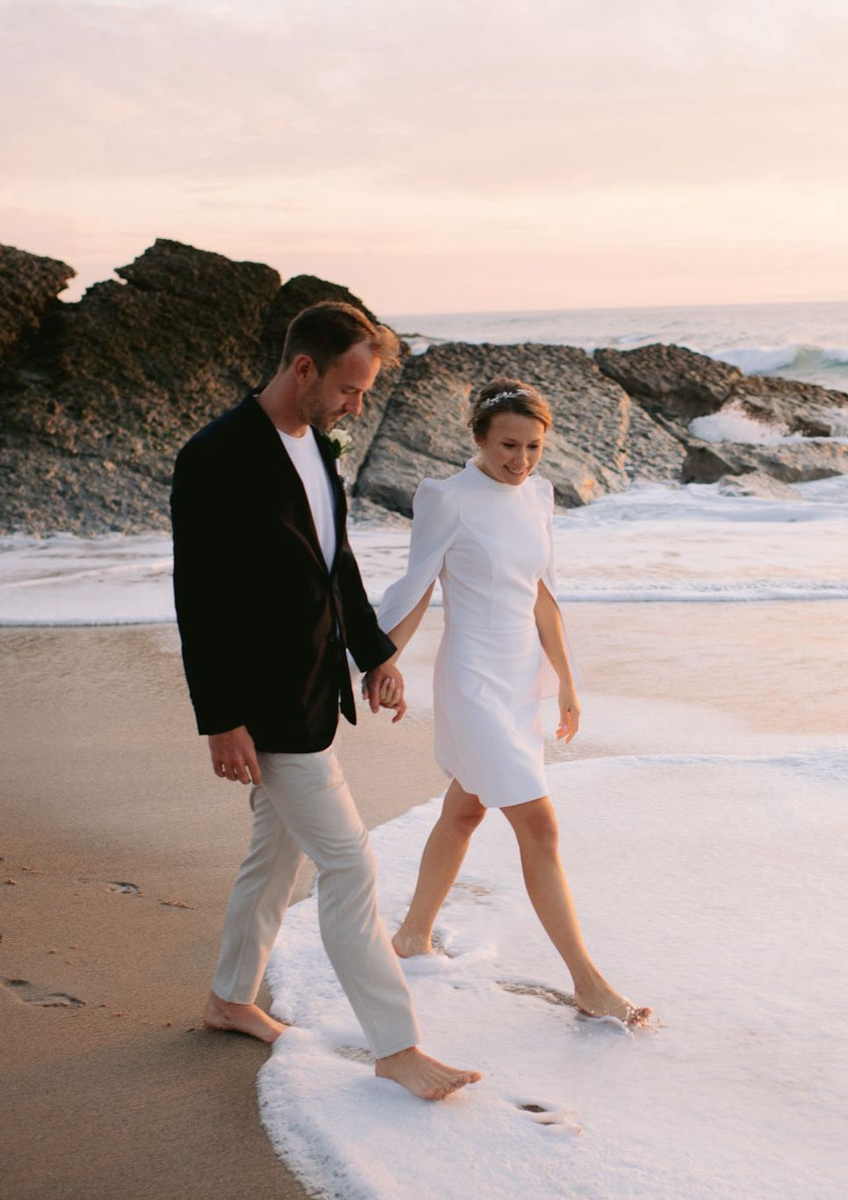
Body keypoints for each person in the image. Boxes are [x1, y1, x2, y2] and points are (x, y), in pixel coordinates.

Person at [170, 301, 481, 1100]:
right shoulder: (216, 456)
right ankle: (397, 1045)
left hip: (314, 689)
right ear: (302, 368)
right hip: (263, 704)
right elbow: (198, 599)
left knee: (274, 857)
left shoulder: (320, 447)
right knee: (349, 863)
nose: (358, 406)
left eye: (365, 391)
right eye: (349, 388)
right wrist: (222, 720)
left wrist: (374, 655)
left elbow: (333, 564)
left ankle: (229, 998)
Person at [375, 377, 651, 1028]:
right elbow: (417, 587)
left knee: (466, 810)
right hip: (471, 679)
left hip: (520, 676)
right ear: (477, 436)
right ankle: (589, 983)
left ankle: (413, 935)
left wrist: (568, 678)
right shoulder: (447, 498)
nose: (520, 460)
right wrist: (382, 659)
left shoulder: (539, 496)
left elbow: (543, 595)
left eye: (533, 447)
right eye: (507, 446)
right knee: (541, 827)